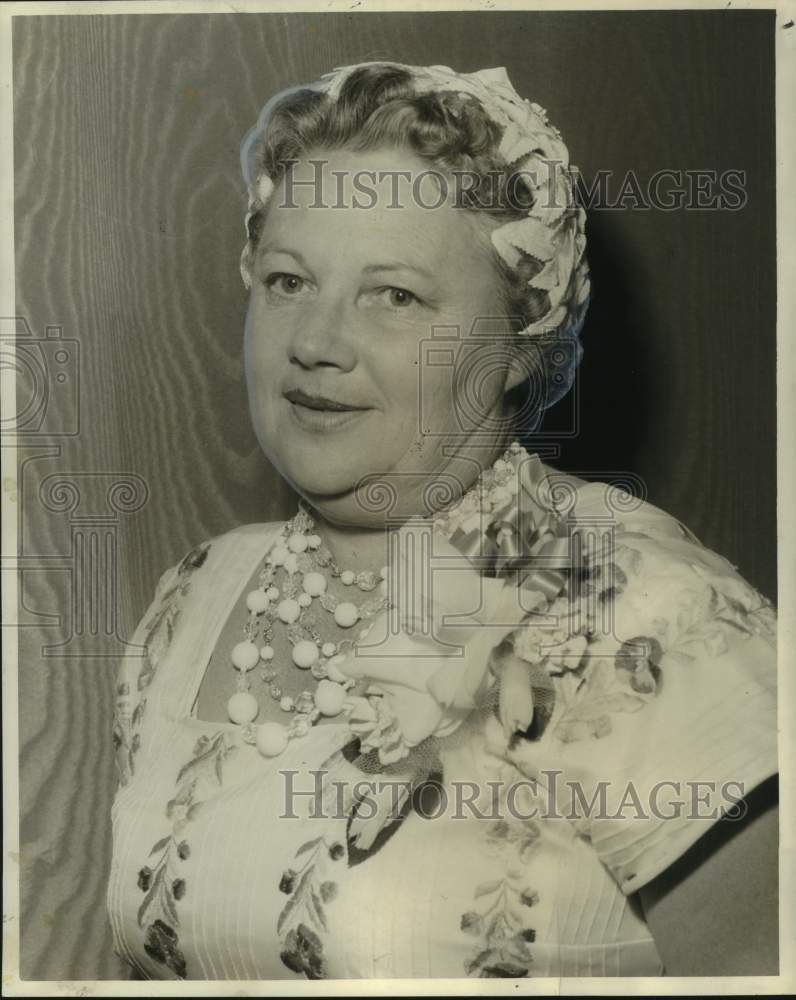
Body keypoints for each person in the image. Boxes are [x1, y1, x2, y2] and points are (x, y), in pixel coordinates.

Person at [107, 62, 778, 980]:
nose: (314, 343)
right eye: (289, 280)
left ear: (515, 341)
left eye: (395, 296)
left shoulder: (647, 610)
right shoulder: (196, 597)